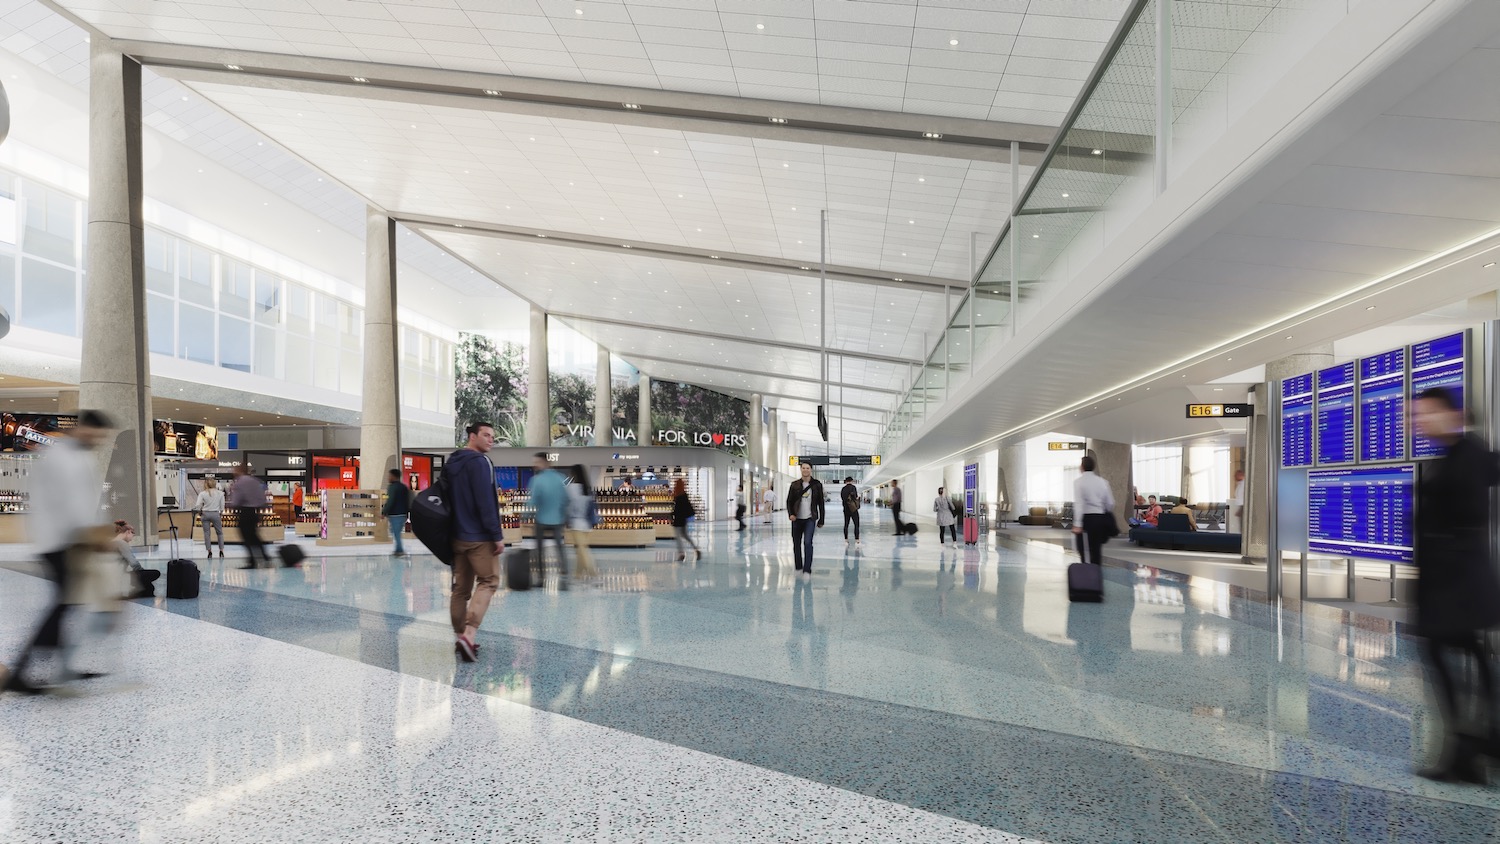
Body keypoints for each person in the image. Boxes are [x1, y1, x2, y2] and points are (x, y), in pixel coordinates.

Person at [1410, 387, 1500, 783]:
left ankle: (1467, 748)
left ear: (1454, 414)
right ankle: (1481, 742)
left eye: (1427, 413)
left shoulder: (1472, 454)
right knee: (1467, 654)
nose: (1420, 421)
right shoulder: (1450, 455)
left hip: (1457, 582)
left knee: (1446, 654)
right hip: (1448, 580)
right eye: (1416, 415)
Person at [5, 409, 113, 695]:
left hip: (69, 541)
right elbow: (72, 506)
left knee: (67, 603)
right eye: (98, 435)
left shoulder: (78, 456)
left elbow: (86, 501)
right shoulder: (61, 457)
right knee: (64, 604)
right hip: (57, 542)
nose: (98, 441)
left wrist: (104, 528)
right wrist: (95, 536)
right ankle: (21, 671)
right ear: (85, 428)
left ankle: (57, 666)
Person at [448, 422, 506, 662]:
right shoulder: (481, 463)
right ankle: (469, 634)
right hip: (479, 537)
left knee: (460, 589)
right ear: (472, 436)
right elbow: (486, 502)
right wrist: (496, 535)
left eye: (493, 436)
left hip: (455, 536)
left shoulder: (452, 462)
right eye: (486, 435)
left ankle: (460, 636)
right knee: (489, 581)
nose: (491, 440)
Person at [529, 452, 570, 588]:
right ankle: (564, 575)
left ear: (544, 463)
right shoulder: (561, 478)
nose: (535, 465)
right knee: (559, 547)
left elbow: (533, 500)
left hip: (541, 519)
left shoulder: (536, 480)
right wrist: (563, 514)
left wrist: (525, 516)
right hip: (557, 519)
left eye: (537, 462)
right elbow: (567, 499)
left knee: (539, 549)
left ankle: (540, 577)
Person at [1071, 455, 1116, 566]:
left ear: (1082, 467)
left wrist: (1077, 524)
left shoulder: (1079, 482)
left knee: (1084, 550)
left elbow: (1079, 504)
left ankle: (1087, 575)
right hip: (1099, 518)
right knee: (1096, 549)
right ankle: (1097, 574)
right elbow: (1110, 503)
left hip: (1086, 519)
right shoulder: (1103, 482)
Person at [786, 462, 825, 578]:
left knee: (808, 543)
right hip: (797, 519)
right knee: (796, 544)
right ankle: (798, 567)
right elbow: (789, 501)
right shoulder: (795, 484)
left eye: (808, 468)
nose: (805, 470)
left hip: (810, 519)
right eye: (803, 468)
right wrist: (791, 514)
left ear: (811, 470)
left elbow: (821, 503)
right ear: (801, 470)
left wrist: (821, 519)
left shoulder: (817, 485)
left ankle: (807, 569)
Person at [229, 463, 272, 568]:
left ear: (239, 471)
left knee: (246, 537)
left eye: (235, 470)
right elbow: (263, 499)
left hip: (244, 513)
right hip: (255, 512)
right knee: (254, 536)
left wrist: (233, 507)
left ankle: (252, 561)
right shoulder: (256, 481)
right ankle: (265, 557)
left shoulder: (239, 483)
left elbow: (236, 501)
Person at [565, 464, 599, 578]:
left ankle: (593, 573)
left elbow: (568, 507)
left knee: (582, 550)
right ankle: (578, 574)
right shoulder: (587, 489)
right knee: (581, 550)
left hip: (576, 524)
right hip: (587, 524)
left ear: (573, 474)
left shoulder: (571, 488)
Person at [193, 475, 226, 558]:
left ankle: (209, 551)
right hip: (215, 514)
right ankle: (221, 551)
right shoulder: (220, 493)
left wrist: (200, 512)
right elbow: (222, 506)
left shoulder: (202, 494)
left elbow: (198, 505)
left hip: (205, 514)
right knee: (220, 533)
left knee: (207, 533)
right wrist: (220, 513)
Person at [382, 468, 411, 557]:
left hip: (395, 514)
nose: (388, 478)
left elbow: (390, 501)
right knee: (396, 532)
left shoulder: (392, 487)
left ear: (393, 476)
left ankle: (399, 550)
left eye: (389, 476)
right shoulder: (404, 487)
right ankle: (398, 549)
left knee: (396, 533)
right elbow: (408, 501)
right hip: (402, 514)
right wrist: (407, 513)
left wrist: (384, 512)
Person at [671, 478, 700, 562]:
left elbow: (677, 509)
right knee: (685, 536)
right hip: (683, 520)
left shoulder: (679, 496)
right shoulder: (684, 494)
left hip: (678, 520)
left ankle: (681, 554)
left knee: (678, 537)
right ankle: (696, 549)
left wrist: (672, 514)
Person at [840, 477, 861, 546]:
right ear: (851, 481)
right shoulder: (853, 487)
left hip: (846, 509)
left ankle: (846, 540)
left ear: (846, 481)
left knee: (846, 524)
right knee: (856, 524)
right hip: (853, 509)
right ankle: (857, 540)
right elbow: (855, 496)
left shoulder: (843, 489)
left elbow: (843, 498)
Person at [1227, 469, 1246, 533]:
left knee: (1243, 525)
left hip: (1243, 507)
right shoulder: (1239, 485)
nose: (1234, 477)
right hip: (1241, 506)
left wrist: (1241, 509)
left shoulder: (1244, 484)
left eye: (1236, 475)